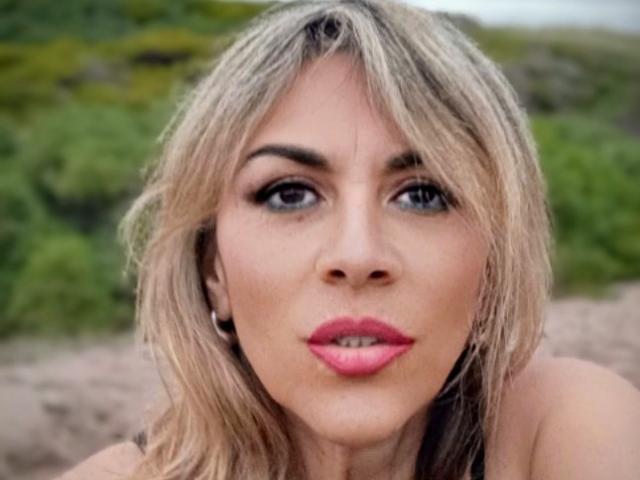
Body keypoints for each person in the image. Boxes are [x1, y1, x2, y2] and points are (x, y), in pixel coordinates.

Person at [57, 1, 640, 479]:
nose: (358, 256)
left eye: (423, 195)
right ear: (214, 272)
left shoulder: (564, 431)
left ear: (492, 262)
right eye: (289, 194)